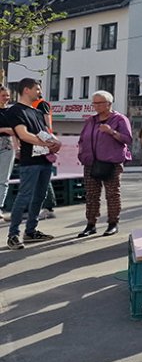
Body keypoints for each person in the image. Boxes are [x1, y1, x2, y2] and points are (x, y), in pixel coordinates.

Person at [5, 78, 61, 250]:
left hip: (44, 160)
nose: (40, 92)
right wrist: (47, 143)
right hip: (30, 161)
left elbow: (45, 132)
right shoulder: (15, 110)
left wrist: (54, 141)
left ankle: (31, 231)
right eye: (37, 89)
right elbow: (23, 134)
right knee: (24, 196)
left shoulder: (37, 112)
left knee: (40, 196)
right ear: (26, 90)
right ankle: (13, 235)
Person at [76, 90, 132, 238]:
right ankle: (91, 224)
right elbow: (82, 138)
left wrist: (111, 132)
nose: (96, 106)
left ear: (108, 104)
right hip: (91, 163)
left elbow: (127, 139)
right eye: (94, 103)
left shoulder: (120, 119)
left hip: (111, 162)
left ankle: (113, 223)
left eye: (99, 103)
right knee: (91, 195)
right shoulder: (91, 120)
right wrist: (82, 153)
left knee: (112, 194)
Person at [0, 87, 16, 222]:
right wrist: (5, 129)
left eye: (7, 95)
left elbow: (17, 130)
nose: (6, 98)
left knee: (3, 180)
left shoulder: (11, 112)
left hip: (7, 145)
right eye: (3, 95)